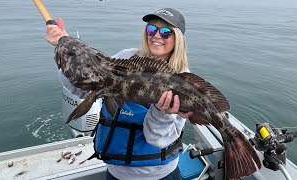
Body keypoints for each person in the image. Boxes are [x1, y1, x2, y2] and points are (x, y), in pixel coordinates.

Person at [46, 8, 193, 180]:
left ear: (178, 39)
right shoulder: (126, 57)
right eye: (151, 29)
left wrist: (163, 113)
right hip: (115, 172)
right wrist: (68, 52)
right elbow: (81, 89)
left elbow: (157, 141)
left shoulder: (182, 83)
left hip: (159, 175)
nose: (157, 36)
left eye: (166, 32)